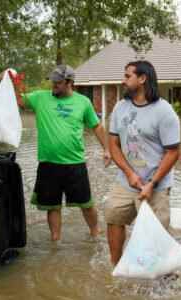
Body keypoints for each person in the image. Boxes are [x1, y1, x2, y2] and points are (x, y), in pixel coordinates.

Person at [11, 65, 111, 241]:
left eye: (58, 82)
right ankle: (55, 241)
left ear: (69, 82)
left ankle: (95, 234)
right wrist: (12, 81)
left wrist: (107, 149)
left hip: (75, 163)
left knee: (87, 205)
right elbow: (18, 100)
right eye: (53, 81)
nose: (54, 85)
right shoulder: (40, 98)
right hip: (48, 164)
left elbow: (97, 126)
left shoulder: (83, 102)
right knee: (52, 206)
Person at [106, 60, 181, 266]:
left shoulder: (164, 111)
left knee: (157, 235)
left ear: (142, 78)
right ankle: (117, 268)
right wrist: (129, 173)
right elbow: (113, 144)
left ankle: (162, 278)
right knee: (113, 216)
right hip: (126, 180)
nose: (123, 80)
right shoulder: (120, 107)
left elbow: (173, 152)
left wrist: (152, 183)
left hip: (156, 184)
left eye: (127, 76)